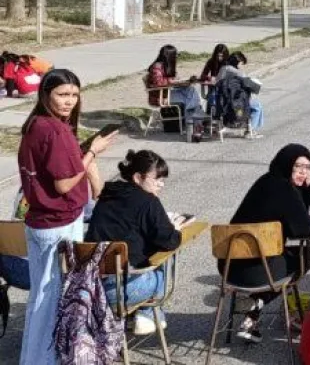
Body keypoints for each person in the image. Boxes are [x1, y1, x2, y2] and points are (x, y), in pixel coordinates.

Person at [17, 69, 113, 365]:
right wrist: (92, 153)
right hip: (58, 222)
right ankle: (47, 360)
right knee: (56, 299)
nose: (69, 101)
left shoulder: (35, 125)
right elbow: (64, 184)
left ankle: (33, 358)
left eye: (74, 94)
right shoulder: (55, 131)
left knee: (41, 297)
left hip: (39, 220)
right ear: (45, 95)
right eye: (62, 94)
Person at [86, 150, 190, 335]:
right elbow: (169, 241)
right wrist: (175, 228)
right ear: (137, 177)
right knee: (167, 257)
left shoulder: (108, 195)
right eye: (157, 179)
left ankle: (144, 315)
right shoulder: (148, 202)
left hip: (90, 287)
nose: (161, 184)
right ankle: (148, 313)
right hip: (124, 290)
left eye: (163, 179)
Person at [225, 145, 310, 342]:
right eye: (298, 166)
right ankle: (257, 302)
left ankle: (254, 309)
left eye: (308, 167)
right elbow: (304, 229)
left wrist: (302, 190)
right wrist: (306, 191)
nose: (304, 172)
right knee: (305, 255)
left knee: (279, 256)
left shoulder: (264, 181)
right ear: (286, 165)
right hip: (260, 271)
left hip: (230, 267)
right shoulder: (285, 190)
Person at [146, 44, 205, 127]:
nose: (176, 57)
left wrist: (186, 81)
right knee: (192, 97)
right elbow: (158, 83)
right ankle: (193, 122)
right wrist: (174, 82)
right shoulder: (157, 67)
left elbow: (174, 81)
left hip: (167, 93)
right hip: (160, 96)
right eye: (175, 55)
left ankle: (193, 123)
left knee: (192, 91)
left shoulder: (166, 66)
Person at [216, 51, 264, 138]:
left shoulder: (223, 69)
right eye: (241, 63)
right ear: (237, 62)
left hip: (222, 102)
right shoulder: (238, 73)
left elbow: (216, 82)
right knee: (258, 106)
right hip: (236, 103)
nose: (241, 66)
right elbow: (249, 86)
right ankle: (250, 130)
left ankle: (249, 129)